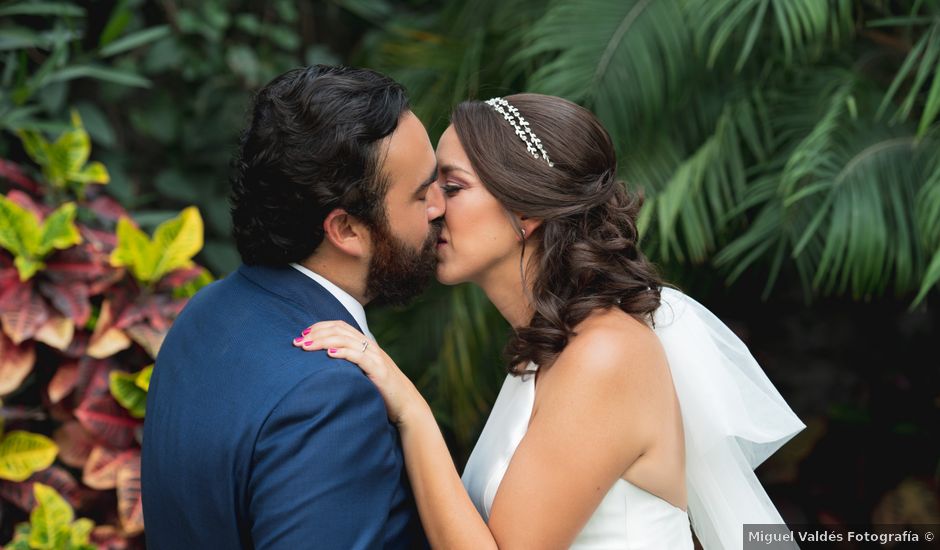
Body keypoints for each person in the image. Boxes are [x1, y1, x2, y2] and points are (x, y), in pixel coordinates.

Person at [294, 93, 806, 549]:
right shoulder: (551, 351)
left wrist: (411, 410)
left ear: (527, 209)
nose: (430, 209)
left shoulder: (606, 356)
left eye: (451, 187)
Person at [141, 65, 443, 549]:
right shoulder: (328, 398)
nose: (439, 207)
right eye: (420, 193)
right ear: (346, 230)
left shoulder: (206, 311)